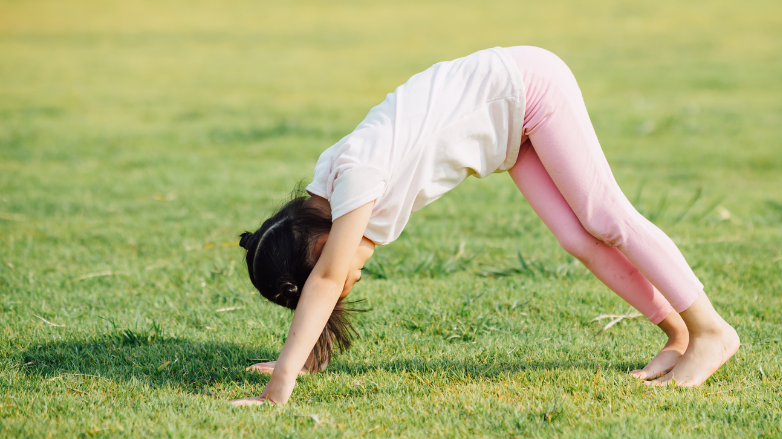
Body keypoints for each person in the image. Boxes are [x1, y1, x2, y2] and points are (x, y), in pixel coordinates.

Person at [230, 46, 739, 407]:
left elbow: (321, 281)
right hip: (508, 131)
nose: (346, 283)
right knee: (578, 239)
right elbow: (320, 279)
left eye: (334, 279)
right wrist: (302, 357)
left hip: (527, 88)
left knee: (606, 216)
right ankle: (678, 336)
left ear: (320, 244)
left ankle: (712, 331)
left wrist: (278, 390)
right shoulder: (327, 190)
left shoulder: (356, 178)